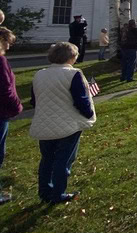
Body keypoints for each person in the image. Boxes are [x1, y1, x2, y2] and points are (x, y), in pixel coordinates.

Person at [30, 42, 96, 204]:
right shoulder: (73, 74)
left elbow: (34, 100)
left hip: (45, 122)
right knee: (63, 159)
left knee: (47, 159)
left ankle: (45, 191)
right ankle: (58, 193)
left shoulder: (39, 74)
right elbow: (81, 100)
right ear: (70, 57)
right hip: (68, 123)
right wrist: (89, 114)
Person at [0, 27, 21, 204]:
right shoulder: (1, 61)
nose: (9, 46)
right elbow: (6, 89)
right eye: (7, 41)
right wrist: (17, 107)